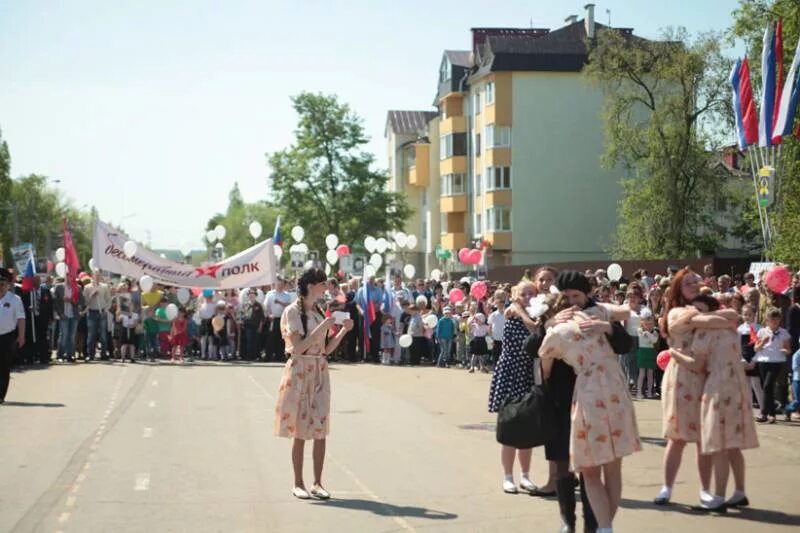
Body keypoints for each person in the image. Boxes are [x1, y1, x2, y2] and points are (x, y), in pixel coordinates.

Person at [533, 271, 634, 533]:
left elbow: (624, 343)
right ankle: (568, 521)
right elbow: (532, 347)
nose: (571, 301)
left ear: (586, 293)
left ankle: (597, 526)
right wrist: (548, 323)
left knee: (601, 465)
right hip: (562, 397)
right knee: (565, 464)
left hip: (595, 395)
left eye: (576, 295)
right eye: (565, 296)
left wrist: (608, 327)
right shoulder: (553, 313)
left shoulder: (599, 312)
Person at [655, 268, 738, 507]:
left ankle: (705, 489)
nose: (693, 285)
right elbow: (715, 319)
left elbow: (731, 316)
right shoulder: (676, 313)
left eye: (695, 281)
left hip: (706, 376)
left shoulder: (705, 306)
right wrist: (718, 317)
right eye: (687, 283)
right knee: (677, 437)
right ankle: (666, 487)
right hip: (681, 376)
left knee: (704, 438)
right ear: (678, 289)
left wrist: (721, 315)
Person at [669, 294, 758, 511]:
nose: (694, 313)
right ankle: (739, 492)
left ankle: (718, 497)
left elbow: (697, 365)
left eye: (698, 309)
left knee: (718, 445)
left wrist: (674, 354)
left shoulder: (704, 333)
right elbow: (732, 315)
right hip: (738, 384)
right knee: (733, 445)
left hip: (718, 385)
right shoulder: (729, 327)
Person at [274, 268, 353, 500]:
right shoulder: (292, 312)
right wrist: (324, 327)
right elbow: (297, 348)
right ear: (310, 286)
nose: (325, 288)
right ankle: (298, 482)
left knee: (320, 428)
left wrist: (342, 333)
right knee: (299, 429)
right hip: (300, 371)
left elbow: (325, 350)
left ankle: (318, 482)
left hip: (319, 370)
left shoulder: (318, 311)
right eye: (322, 284)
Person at [487, 277, 540, 495]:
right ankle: (508, 477)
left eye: (532, 293)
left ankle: (525, 476)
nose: (528, 297)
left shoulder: (536, 316)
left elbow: (536, 331)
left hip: (528, 373)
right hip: (510, 373)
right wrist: (517, 309)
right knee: (509, 429)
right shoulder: (511, 312)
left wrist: (521, 310)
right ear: (515, 296)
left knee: (526, 430)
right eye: (523, 294)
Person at [753, 308, 791, 424]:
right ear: (767, 320)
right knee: (766, 387)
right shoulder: (762, 331)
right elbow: (756, 348)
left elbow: (788, 349)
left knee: (768, 386)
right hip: (763, 361)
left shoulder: (784, 333)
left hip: (776, 361)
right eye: (771, 320)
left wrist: (784, 350)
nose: (774, 322)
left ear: (780, 320)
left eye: (776, 320)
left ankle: (767, 413)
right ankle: (767, 414)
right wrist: (763, 343)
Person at [0, 268, 25, 404]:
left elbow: (21, 318)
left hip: (7, 336)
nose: (1, 286)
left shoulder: (15, 299)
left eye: (3, 283)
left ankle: (1, 394)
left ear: (8, 284)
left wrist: (21, 336)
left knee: (4, 366)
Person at [53, 276, 86, 363]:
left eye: (72, 276)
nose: (70, 278)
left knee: (72, 336)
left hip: (74, 316)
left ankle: (70, 355)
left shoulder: (77, 288)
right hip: (64, 315)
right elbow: (55, 302)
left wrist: (72, 300)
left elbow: (82, 301)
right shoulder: (59, 287)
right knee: (64, 336)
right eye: (68, 276)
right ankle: (60, 355)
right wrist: (60, 313)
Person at [738, 305, 764, 413]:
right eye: (745, 314)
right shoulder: (739, 329)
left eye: (749, 314)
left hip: (755, 358)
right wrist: (742, 360)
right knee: (746, 386)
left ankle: (763, 409)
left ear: (754, 315)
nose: (747, 317)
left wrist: (754, 360)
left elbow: (761, 347)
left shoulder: (759, 328)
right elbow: (737, 346)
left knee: (756, 385)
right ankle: (748, 410)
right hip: (744, 359)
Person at [83, 273, 111, 361]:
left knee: (103, 335)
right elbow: (85, 301)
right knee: (91, 335)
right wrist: (91, 296)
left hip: (102, 312)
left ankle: (103, 354)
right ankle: (90, 354)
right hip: (92, 312)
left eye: (99, 276)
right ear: (92, 276)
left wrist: (105, 309)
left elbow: (108, 299)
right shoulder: (87, 287)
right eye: (96, 276)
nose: (97, 277)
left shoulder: (104, 287)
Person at [266, 278, 291, 361]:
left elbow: (288, 305)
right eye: (278, 285)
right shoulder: (270, 294)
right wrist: (269, 314)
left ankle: (279, 356)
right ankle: (269, 356)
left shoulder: (286, 295)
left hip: (282, 319)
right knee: (271, 337)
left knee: (281, 338)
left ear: (283, 285)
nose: (279, 286)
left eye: (281, 285)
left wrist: (280, 302)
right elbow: (267, 306)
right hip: (272, 319)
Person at [636, 312, 659, 399]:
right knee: (642, 373)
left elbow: (654, 340)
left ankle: (649, 392)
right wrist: (649, 335)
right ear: (642, 323)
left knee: (650, 374)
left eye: (651, 324)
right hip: (642, 352)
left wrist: (648, 334)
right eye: (646, 324)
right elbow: (644, 339)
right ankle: (639, 392)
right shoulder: (639, 330)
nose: (649, 326)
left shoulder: (655, 332)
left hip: (651, 353)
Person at [242, 290, 266, 361]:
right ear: (248, 295)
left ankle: (256, 356)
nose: (251, 296)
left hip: (256, 326)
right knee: (249, 341)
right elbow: (242, 315)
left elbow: (262, 317)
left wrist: (260, 327)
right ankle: (249, 356)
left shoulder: (258, 305)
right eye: (250, 294)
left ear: (255, 295)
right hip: (248, 326)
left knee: (256, 341)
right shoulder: (245, 305)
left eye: (253, 294)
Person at [488, 290, 506, 367]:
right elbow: (490, 327)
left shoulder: (507, 313)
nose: (501, 304)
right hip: (495, 340)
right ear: (496, 304)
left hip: (505, 340)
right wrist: (491, 338)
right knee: (496, 357)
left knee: (504, 358)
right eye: (499, 302)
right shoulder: (493, 315)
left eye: (502, 302)